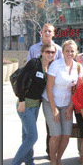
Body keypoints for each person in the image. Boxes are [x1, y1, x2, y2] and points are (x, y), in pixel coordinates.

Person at [7, 43, 56, 165]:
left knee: (26, 136)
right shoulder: (34, 63)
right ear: (42, 52)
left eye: (53, 52)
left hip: (35, 106)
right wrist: (21, 100)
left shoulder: (48, 67)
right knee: (32, 137)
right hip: (25, 105)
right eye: (48, 51)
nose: (50, 54)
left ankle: (29, 163)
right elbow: (21, 79)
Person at [43, 40, 80, 165]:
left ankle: (59, 160)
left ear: (76, 52)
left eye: (72, 51)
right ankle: (52, 162)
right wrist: (54, 109)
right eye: (67, 51)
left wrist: (70, 108)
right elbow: (49, 89)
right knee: (56, 134)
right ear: (62, 52)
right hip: (51, 102)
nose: (70, 53)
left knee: (66, 134)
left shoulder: (77, 66)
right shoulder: (55, 65)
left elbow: (76, 90)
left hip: (67, 104)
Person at [27, 23, 63, 157]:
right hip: (35, 92)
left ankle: (51, 151)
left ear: (54, 33)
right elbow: (27, 70)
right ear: (40, 33)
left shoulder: (58, 49)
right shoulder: (33, 49)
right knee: (30, 125)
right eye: (45, 31)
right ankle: (28, 154)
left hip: (51, 92)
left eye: (50, 31)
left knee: (51, 124)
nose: (47, 33)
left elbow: (60, 69)